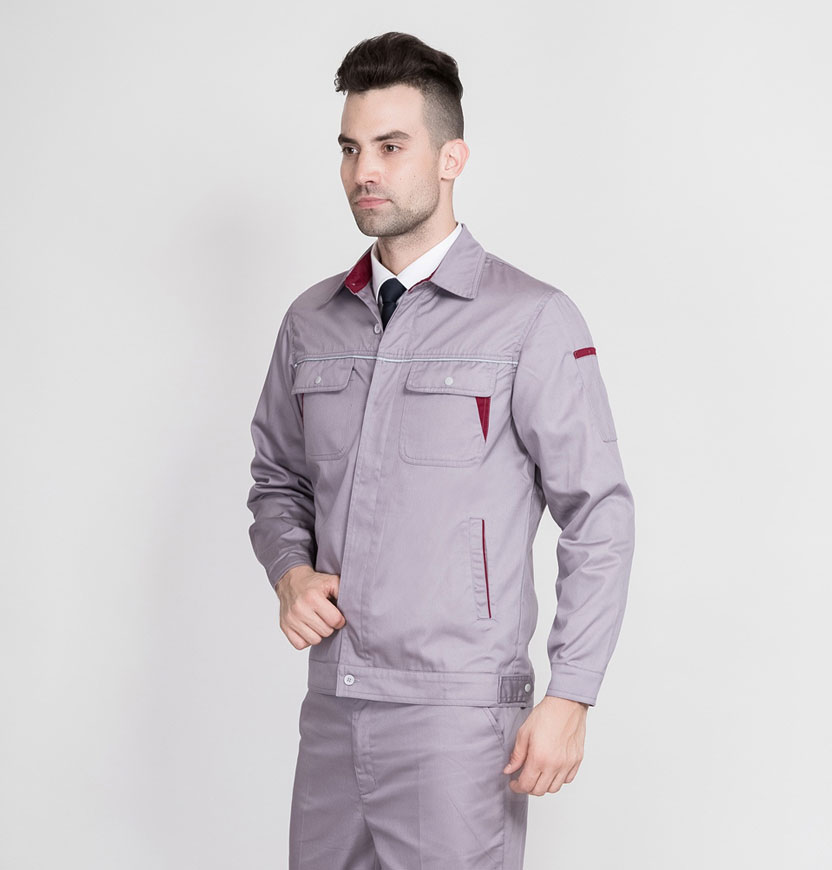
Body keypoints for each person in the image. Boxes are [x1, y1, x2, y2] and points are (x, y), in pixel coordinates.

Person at [246, 30, 635, 870]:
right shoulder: (311, 322)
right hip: (334, 705)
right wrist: (290, 572)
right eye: (350, 149)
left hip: (457, 720)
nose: (365, 171)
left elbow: (598, 514)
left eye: (391, 146)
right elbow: (277, 479)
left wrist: (572, 693)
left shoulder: (530, 319)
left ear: (452, 157)